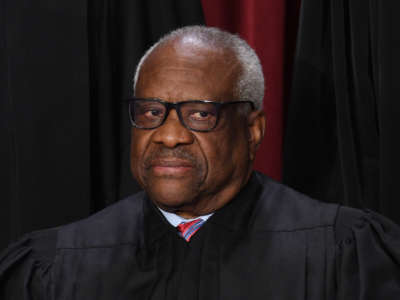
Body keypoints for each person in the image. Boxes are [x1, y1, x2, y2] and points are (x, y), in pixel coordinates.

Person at [1, 25, 400, 300]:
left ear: (253, 130)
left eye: (200, 114)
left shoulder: (341, 255)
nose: (169, 135)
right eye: (151, 111)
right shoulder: (56, 267)